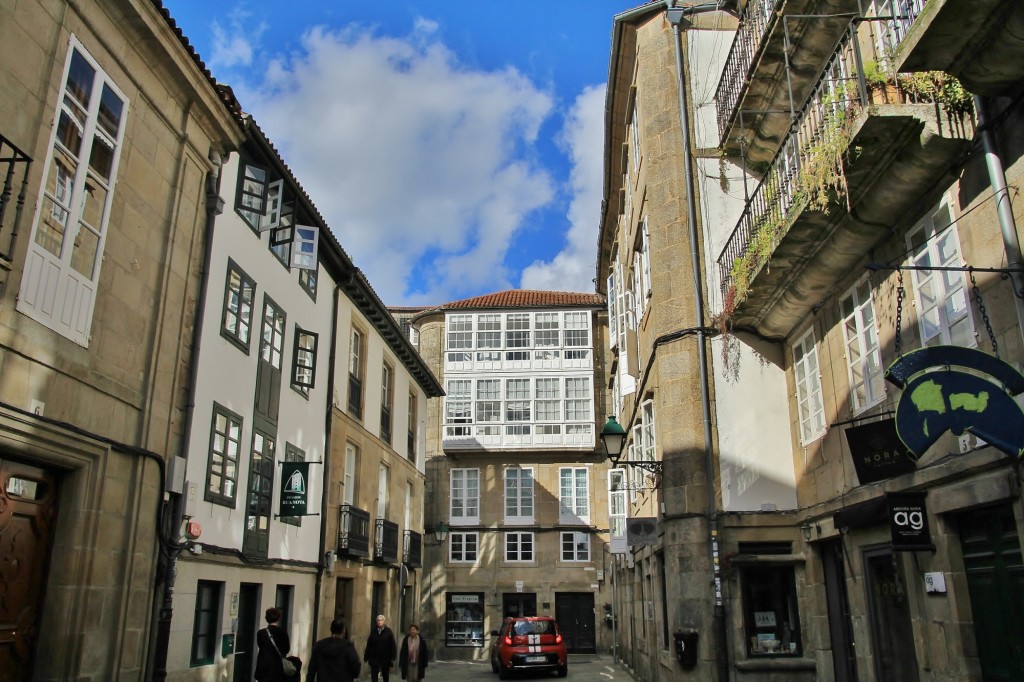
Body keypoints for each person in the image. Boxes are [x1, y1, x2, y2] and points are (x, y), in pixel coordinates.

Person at [255, 607, 292, 681]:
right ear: (278, 618)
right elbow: (287, 649)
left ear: (266, 618)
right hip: (277, 668)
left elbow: (260, 645)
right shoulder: (282, 632)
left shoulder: (261, 633)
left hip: (263, 669)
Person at [363, 614, 397, 682]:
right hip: (374, 657)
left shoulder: (388, 632)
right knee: (374, 676)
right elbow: (369, 644)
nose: (379, 622)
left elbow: (392, 645)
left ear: (384, 621)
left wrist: (393, 656)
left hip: (385, 658)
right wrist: (366, 656)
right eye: (378, 620)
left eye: (381, 620)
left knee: (385, 676)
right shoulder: (374, 631)